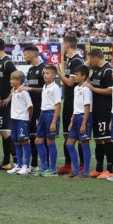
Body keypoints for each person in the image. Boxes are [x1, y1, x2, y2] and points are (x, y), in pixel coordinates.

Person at [54, 35, 85, 174]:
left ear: (66, 45)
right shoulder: (71, 60)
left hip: (75, 102)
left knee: (77, 135)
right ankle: (68, 164)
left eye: (62, 45)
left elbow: (70, 82)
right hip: (69, 100)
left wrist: (58, 74)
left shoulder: (77, 60)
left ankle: (81, 165)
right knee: (67, 134)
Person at [85, 48, 113, 178]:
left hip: (105, 110)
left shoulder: (108, 70)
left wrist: (93, 89)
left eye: (90, 59)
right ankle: (98, 168)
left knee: (106, 138)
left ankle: (110, 169)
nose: (89, 62)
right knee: (97, 139)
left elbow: (110, 90)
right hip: (95, 109)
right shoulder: (96, 70)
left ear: (95, 58)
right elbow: (89, 83)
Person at [0, 38, 17, 170]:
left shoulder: (8, 63)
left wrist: (10, 97)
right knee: (3, 132)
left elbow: (18, 80)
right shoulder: (0, 62)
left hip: (7, 103)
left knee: (6, 132)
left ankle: (17, 160)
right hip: (1, 103)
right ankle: (6, 161)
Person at [63, 65, 92, 179]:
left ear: (84, 76)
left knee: (84, 143)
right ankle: (75, 170)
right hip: (76, 118)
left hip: (84, 117)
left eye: (77, 74)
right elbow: (76, 106)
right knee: (69, 144)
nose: (74, 76)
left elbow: (87, 107)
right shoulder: (76, 88)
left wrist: (84, 123)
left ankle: (86, 172)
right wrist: (71, 120)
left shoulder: (86, 89)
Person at [33, 65, 62, 177]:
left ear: (54, 75)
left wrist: (54, 121)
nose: (45, 75)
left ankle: (53, 169)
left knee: (50, 141)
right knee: (38, 141)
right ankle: (44, 167)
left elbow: (58, 105)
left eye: (48, 73)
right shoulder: (45, 86)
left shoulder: (55, 88)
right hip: (43, 114)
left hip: (51, 114)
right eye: (44, 73)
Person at [21, 45, 45, 170]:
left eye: (25, 54)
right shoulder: (30, 70)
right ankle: (34, 164)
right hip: (31, 108)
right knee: (31, 136)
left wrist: (30, 88)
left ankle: (46, 165)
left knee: (41, 137)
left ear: (31, 54)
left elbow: (47, 89)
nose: (24, 57)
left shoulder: (44, 69)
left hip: (41, 108)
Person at [7, 71, 34, 175]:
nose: (10, 81)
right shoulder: (13, 90)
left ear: (18, 81)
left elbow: (30, 107)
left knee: (24, 141)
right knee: (16, 141)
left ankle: (27, 166)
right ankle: (18, 165)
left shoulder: (24, 92)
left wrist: (28, 118)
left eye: (12, 79)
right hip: (14, 119)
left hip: (22, 120)